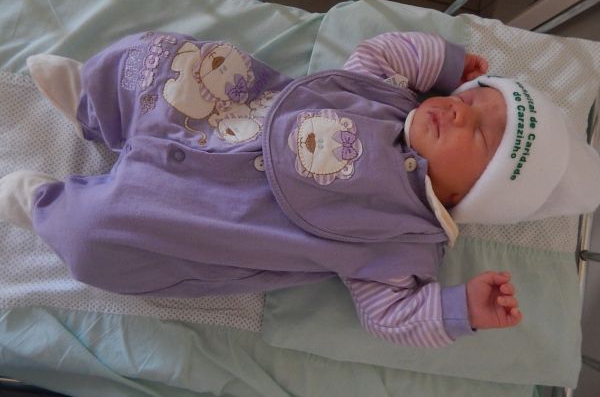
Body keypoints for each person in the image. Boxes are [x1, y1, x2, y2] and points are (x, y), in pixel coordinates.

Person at [1, 31, 599, 348]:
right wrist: (442, 64)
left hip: (197, 214)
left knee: (102, 238)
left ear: (477, 195)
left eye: (483, 136)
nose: (461, 112)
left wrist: (457, 309)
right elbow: (380, 50)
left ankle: (46, 207)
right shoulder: (387, 96)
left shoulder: (404, 242)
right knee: (170, 62)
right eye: (474, 100)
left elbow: (391, 316)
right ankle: (96, 102)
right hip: (218, 118)